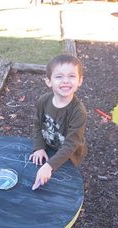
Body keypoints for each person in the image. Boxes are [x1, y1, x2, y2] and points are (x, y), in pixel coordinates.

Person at [29, 54, 87, 190]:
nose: (65, 81)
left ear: (80, 81)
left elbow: (71, 144)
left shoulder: (78, 112)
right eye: (59, 76)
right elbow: (37, 124)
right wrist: (39, 147)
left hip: (69, 155)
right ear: (49, 81)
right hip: (48, 147)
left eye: (71, 76)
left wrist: (49, 166)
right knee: (43, 183)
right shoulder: (43, 101)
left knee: (61, 187)